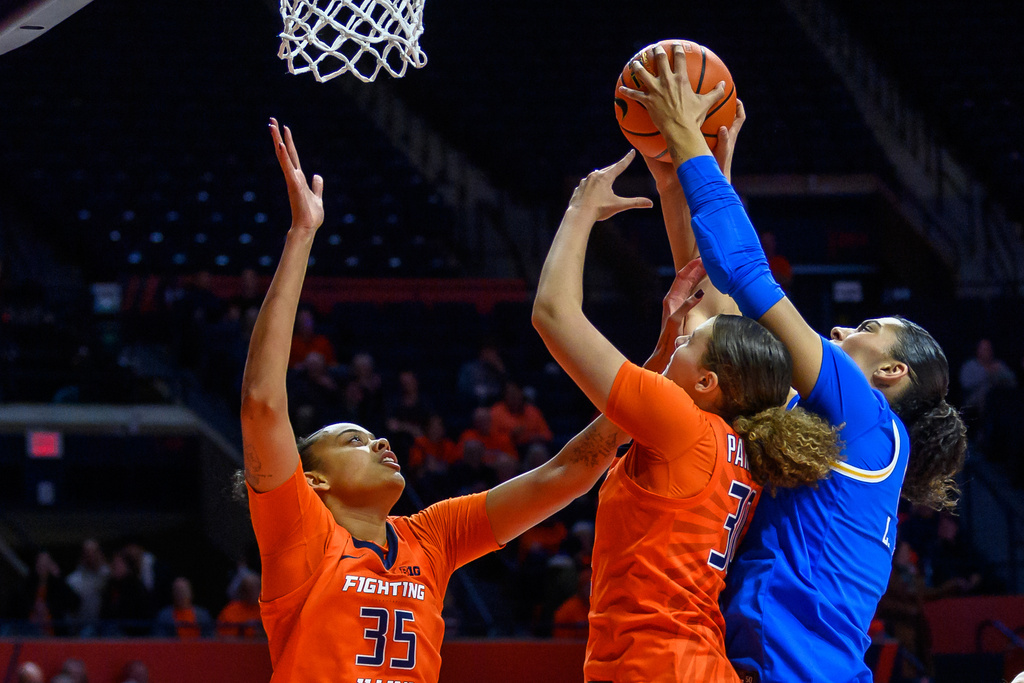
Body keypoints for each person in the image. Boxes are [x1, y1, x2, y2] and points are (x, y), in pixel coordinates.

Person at [619, 43, 968, 682]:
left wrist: (684, 134)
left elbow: (749, 276)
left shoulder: (867, 420)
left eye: (866, 329)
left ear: (892, 373)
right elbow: (711, 315)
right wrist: (677, 178)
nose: (840, 328)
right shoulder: (826, 430)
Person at [238, 118, 634, 682]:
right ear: (314, 482)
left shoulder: (431, 536)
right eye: (353, 440)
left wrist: (650, 384)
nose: (379, 440)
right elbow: (261, 403)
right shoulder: (300, 532)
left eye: (371, 434)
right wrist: (302, 234)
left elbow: (566, 472)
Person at [532, 155, 840, 681]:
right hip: (687, 661)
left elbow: (553, 313)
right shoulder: (738, 442)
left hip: (656, 665)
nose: (680, 334)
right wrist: (697, 166)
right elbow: (711, 300)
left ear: (708, 383)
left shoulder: (680, 423)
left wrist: (582, 207)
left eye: (689, 341)